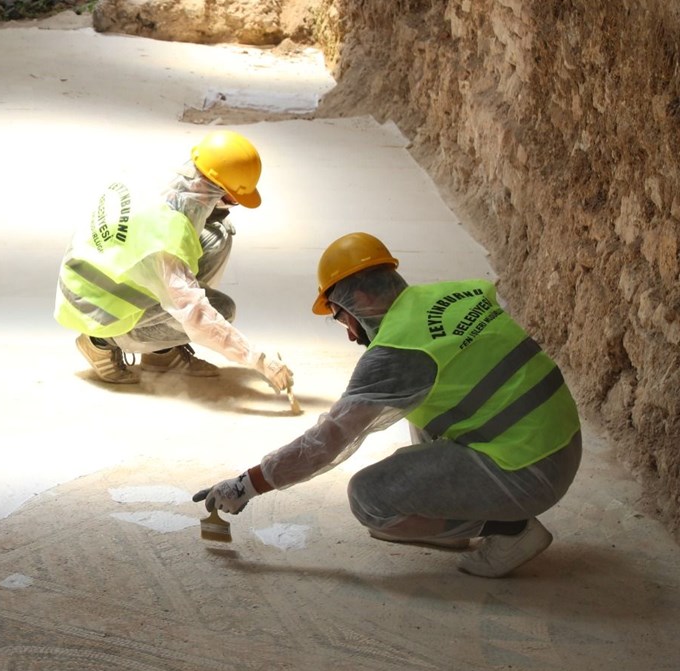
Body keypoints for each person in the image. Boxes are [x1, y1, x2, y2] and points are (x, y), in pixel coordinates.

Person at [194, 232, 582, 578]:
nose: (349, 334)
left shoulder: (399, 352)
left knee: (371, 500)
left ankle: (512, 531)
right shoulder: (447, 295)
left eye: (341, 316)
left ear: (359, 298)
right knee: (428, 408)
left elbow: (326, 443)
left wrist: (247, 484)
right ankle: (462, 514)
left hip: (528, 473)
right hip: (557, 441)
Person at [53, 129, 293, 394]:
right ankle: (100, 342)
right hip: (95, 306)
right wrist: (259, 360)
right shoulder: (168, 232)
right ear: (221, 189)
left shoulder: (165, 175)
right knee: (221, 309)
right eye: (234, 198)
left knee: (216, 233)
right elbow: (197, 316)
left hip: (89, 272)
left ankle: (161, 352)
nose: (234, 205)